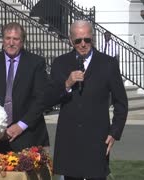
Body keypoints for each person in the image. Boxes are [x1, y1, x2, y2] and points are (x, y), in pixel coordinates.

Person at [45, 20, 128, 180]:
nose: (83, 44)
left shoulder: (108, 64)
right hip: (69, 138)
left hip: (97, 137)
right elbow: (48, 100)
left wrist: (115, 132)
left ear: (93, 38)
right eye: (78, 40)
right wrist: (67, 84)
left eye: (87, 39)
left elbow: (121, 102)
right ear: (71, 40)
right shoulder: (60, 63)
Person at [0, 22, 50, 155]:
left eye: (15, 39)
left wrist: (21, 125)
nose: (11, 43)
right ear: (3, 40)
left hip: (28, 135)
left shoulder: (36, 63)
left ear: (22, 42)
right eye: (7, 38)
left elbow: (41, 99)